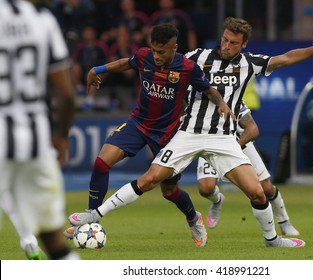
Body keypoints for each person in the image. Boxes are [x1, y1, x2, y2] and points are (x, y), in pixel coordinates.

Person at [68, 18, 313, 248]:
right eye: (225, 40)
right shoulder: (196, 58)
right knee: (150, 180)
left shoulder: (251, 63)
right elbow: (168, 60)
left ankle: (272, 240)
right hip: (189, 133)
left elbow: (285, 59)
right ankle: (96, 214)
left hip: (223, 138)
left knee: (257, 192)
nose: (227, 46)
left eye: (233, 43)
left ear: (244, 44)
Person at [64, 23, 234, 247]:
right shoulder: (144, 56)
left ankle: (193, 218)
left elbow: (208, 90)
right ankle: (89, 217)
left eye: (161, 51)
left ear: (174, 48)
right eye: (153, 49)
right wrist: (98, 69)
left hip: (168, 134)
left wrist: (221, 102)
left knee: (169, 191)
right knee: (101, 162)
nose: (156, 55)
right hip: (138, 123)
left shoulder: (187, 68)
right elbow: (127, 63)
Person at [0, 0, 79, 260]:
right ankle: (33, 245)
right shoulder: (43, 20)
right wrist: (61, 137)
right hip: (35, 137)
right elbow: (66, 95)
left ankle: (29, 243)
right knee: (54, 240)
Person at [197, 103, 300, 235]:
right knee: (206, 189)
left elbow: (253, 129)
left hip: (239, 144)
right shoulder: (198, 96)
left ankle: (285, 222)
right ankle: (217, 200)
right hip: (210, 145)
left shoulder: (232, 96)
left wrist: (234, 148)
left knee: (266, 187)